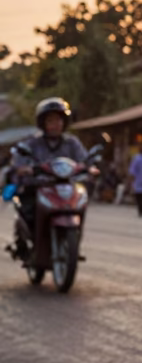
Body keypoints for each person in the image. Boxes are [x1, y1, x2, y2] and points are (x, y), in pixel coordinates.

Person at [11, 98, 88, 255]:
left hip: (65, 186)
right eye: (51, 120)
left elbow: (84, 160)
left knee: (82, 201)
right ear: (43, 123)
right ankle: (26, 242)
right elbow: (19, 161)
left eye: (59, 119)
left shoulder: (72, 143)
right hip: (38, 187)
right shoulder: (32, 143)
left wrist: (89, 168)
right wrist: (25, 168)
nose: (56, 124)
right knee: (27, 210)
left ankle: (73, 243)